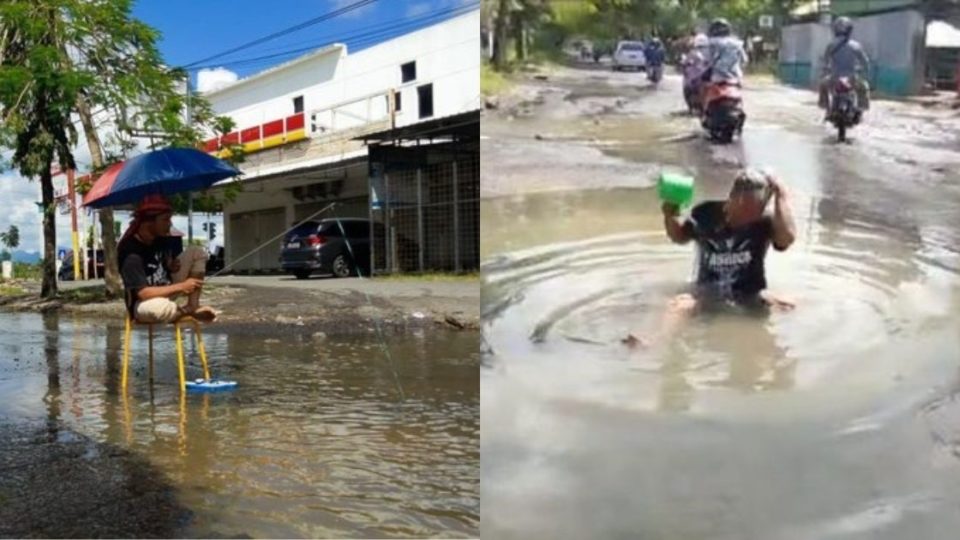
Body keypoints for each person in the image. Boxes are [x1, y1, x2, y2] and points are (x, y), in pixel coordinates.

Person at [624, 169, 796, 348]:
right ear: (733, 198)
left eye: (755, 211)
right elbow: (679, 236)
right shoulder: (705, 214)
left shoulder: (765, 222)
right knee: (680, 305)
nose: (748, 217)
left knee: (791, 304)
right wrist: (670, 213)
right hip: (708, 292)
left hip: (749, 293)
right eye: (745, 209)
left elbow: (787, 239)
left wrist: (781, 195)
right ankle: (654, 342)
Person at [118, 194, 217, 324]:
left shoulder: (160, 239)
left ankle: (193, 305)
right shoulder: (130, 253)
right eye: (165, 219)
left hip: (167, 289)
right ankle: (185, 311)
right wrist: (182, 286)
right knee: (157, 309)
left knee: (196, 252)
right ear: (148, 222)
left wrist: (170, 265)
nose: (170, 224)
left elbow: (161, 263)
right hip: (143, 304)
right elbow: (143, 293)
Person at [818, 16, 871, 114]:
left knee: (822, 84)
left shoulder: (831, 45)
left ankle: (826, 106)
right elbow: (865, 62)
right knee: (864, 86)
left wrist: (824, 71)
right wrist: (865, 72)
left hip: (834, 78)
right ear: (850, 30)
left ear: (835, 30)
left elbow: (825, 62)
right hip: (852, 79)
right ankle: (861, 108)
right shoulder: (856, 45)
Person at [703, 18, 748, 86]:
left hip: (717, 78)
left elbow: (706, 59)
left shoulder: (710, 43)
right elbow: (745, 60)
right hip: (735, 78)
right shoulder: (737, 43)